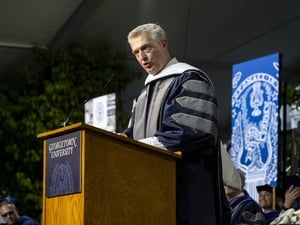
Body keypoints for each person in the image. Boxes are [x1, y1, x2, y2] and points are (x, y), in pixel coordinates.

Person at [124, 23, 230, 225]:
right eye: (136, 52)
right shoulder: (142, 94)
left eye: (147, 47)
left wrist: (137, 148)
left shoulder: (189, 79)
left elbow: (192, 133)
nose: (142, 57)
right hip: (151, 197)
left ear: (163, 43)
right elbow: (133, 135)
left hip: (187, 197)